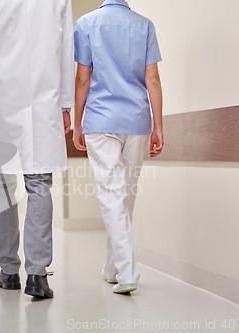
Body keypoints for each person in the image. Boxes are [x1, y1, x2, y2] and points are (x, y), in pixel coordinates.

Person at [0, 0, 75, 298]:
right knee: (40, 185)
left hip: (2, 100)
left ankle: (9, 270)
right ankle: (37, 275)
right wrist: (65, 104)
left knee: (3, 186)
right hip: (43, 98)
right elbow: (67, 49)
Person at [73, 0, 164, 294]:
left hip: (100, 119)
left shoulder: (86, 23)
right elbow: (152, 79)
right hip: (137, 119)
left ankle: (126, 272)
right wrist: (158, 125)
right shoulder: (144, 25)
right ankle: (113, 267)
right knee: (125, 196)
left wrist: (78, 121)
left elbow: (82, 78)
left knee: (112, 196)